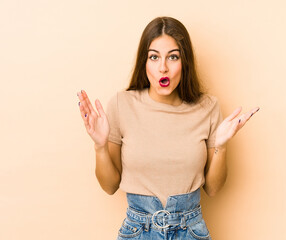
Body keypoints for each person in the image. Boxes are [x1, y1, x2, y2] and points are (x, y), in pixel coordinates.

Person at [77, 16, 259, 240]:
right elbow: (109, 186)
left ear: (185, 62)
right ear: (144, 62)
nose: (163, 68)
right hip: (138, 231)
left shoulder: (208, 107)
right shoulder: (121, 104)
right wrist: (100, 146)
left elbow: (213, 188)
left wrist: (221, 146)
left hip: (190, 230)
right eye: (154, 57)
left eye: (173, 57)